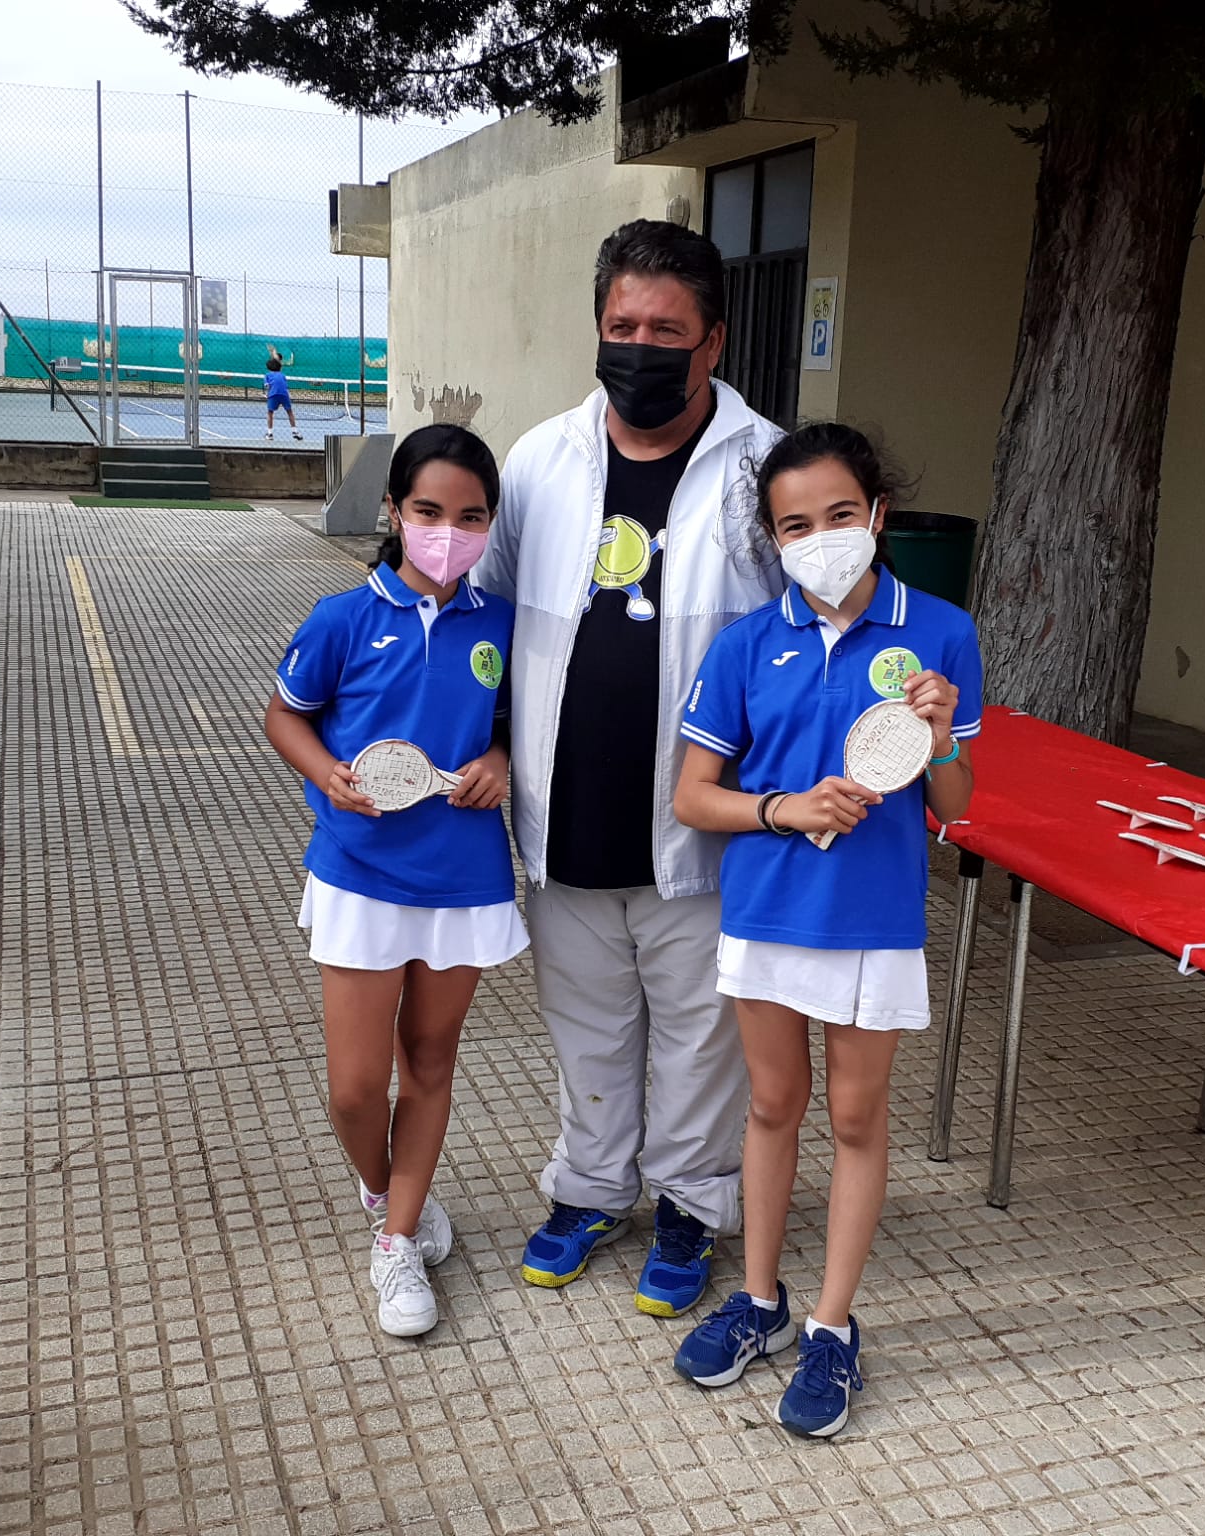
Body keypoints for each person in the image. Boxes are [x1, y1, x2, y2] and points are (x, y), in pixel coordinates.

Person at [476, 219, 786, 1318]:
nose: (639, 347)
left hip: (703, 824)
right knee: (587, 1025)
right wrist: (483, 747)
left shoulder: (765, 468)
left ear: (713, 342)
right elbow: (490, 615)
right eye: (622, 325)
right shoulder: (539, 458)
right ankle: (592, 1188)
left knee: (702, 1036)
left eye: (665, 329)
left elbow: (807, 636)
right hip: (564, 812)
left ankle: (693, 1206)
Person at [665, 423, 983, 1437]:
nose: (819, 538)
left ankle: (831, 1326)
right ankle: (757, 1301)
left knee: (854, 1120)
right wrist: (784, 808)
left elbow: (956, 807)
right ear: (773, 539)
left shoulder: (939, 633)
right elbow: (692, 797)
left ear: (877, 514)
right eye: (794, 525)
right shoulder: (745, 644)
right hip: (766, 911)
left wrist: (940, 737)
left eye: (840, 514)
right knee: (771, 1105)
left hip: (874, 919)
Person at [264, 424, 525, 1337]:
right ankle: (384, 1191)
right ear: (393, 510)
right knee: (353, 1087)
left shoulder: (502, 624)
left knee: (430, 1062)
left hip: (464, 876)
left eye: (470, 517)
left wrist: (498, 757)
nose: (448, 533)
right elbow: (285, 715)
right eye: (428, 511)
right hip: (360, 873)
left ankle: (398, 1238)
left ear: (490, 524)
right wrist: (326, 773)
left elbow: (515, 724)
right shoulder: (341, 619)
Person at [265, 345, 302, 440]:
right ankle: (295, 431)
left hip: (273, 394)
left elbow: (267, 386)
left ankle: (270, 434)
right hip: (284, 394)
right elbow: (285, 386)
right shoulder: (282, 375)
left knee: (270, 412)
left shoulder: (268, 375)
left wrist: (266, 394)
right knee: (290, 412)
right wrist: (273, 352)